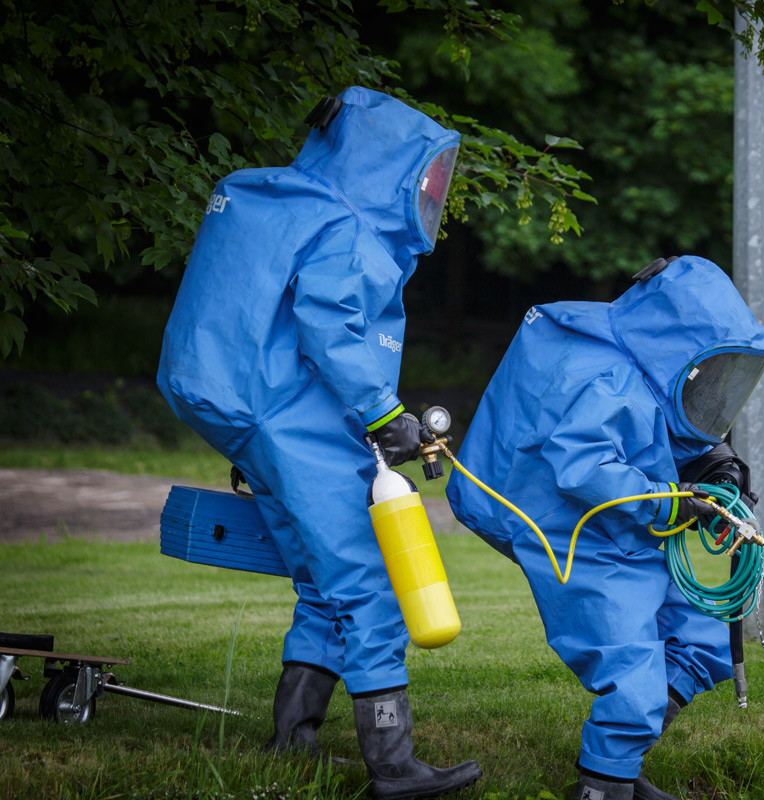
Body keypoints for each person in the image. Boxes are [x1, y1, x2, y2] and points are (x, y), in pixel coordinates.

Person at [157, 86, 481, 799]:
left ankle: (291, 740)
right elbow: (330, 325)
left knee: (319, 576)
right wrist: (381, 413)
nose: (431, 193)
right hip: (295, 418)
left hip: (246, 411)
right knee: (368, 580)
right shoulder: (347, 226)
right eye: (426, 177)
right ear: (389, 166)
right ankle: (393, 766)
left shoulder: (276, 201)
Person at [445, 256, 764, 800]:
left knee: (701, 633)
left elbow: (659, 423)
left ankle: (626, 760)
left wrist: (713, 462)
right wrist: (674, 503)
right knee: (633, 671)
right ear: (675, 344)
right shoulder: (609, 378)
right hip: (575, 533)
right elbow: (583, 465)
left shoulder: (640, 362)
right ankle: (604, 784)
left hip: (627, 523)